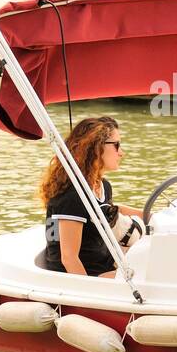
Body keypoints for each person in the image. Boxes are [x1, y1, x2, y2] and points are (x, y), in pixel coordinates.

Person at [40, 116, 141, 277]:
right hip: (86, 276)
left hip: (104, 266)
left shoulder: (103, 186)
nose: (122, 152)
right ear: (96, 147)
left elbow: (104, 210)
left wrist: (152, 215)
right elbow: (69, 258)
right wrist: (90, 291)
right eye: (117, 145)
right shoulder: (72, 195)